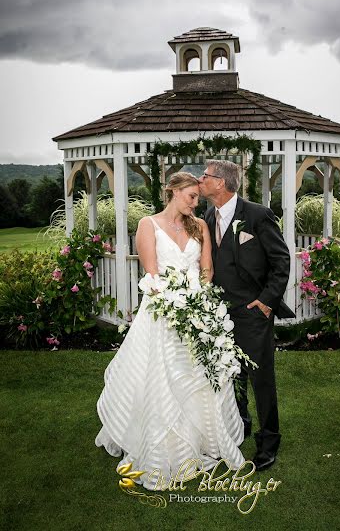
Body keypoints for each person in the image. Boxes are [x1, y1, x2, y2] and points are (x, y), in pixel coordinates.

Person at [94, 172, 245, 490]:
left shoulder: (200, 226)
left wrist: (201, 306)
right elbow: (152, 272)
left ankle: (203, 440)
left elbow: (207, 269)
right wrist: (178, 308)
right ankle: (164, 447)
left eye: (198, 198)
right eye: (191, 196)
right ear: (174, 192)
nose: (195, 202)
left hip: (198, 310)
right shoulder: (148, 225)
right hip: (163, 311)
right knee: (163, 377)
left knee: (198, 377)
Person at [199, 160, 294, 471]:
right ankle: (241, 427)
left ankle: (269, 442)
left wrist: (266, 302)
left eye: (206, 175)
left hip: (252, 312)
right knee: (231, 375)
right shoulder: (208, 214)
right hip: (219, 314)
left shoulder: (257, 215)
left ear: (222, 183)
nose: (201, 180)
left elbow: (281, 261)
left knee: (260, 378)